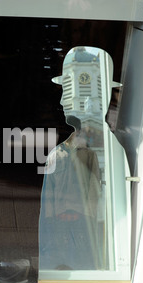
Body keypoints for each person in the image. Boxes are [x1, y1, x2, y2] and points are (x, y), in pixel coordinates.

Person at [39, 47, 121, 271]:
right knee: (66, 252)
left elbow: (96, 186)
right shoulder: (59, 153)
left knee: (84, 253)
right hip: (67, 216)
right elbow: (51, 190)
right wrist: (52, 215)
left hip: (86, 217)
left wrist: (93, 213)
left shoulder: (102, 151)